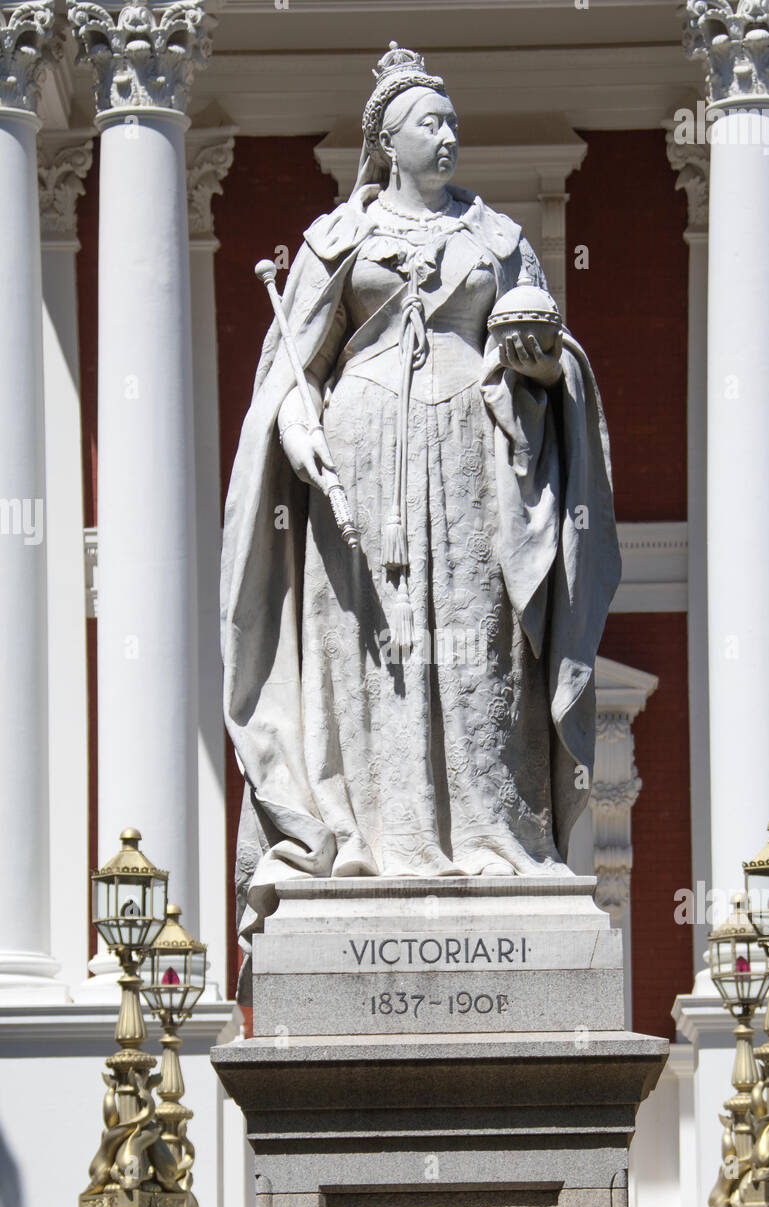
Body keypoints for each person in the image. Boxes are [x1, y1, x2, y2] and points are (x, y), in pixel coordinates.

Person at [221, 43, 621, 987]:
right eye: (429, 124)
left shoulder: (497, 240)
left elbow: (546, 353)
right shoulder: (338, 238)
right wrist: (296, 429)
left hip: (477, 463)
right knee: (375, 659)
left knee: (481, 647)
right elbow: (293, 367)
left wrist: (537, 364)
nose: (448, 136)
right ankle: (378, 835)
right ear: (388, 141)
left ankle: (492, 835)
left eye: (451, 122)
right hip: (357, 473)